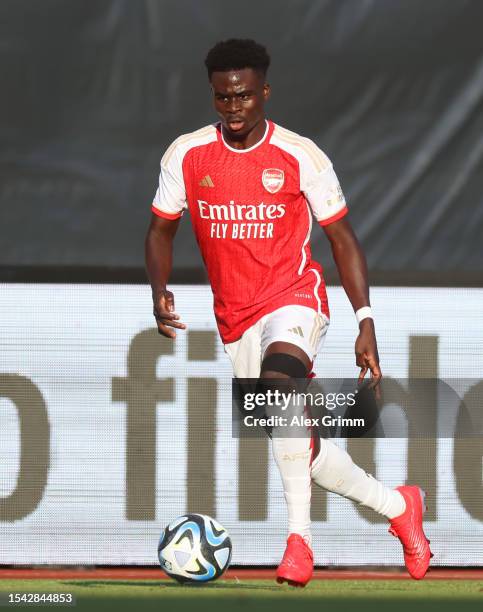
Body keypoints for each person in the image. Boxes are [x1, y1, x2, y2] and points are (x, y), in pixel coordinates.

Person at [145, 38, 432, 586]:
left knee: (281, 393)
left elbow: (342, 238)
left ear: (264, 93)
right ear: (213, 96)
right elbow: (161, 228)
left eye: (245, 96)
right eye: (224, 97)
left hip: (296, 299)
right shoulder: (187, 154)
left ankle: (299, 542)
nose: (234, 107)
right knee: (299, 441)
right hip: (235, 320)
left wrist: (365, 317)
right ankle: (400, 507)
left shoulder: (300, 154)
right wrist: (158, 290)